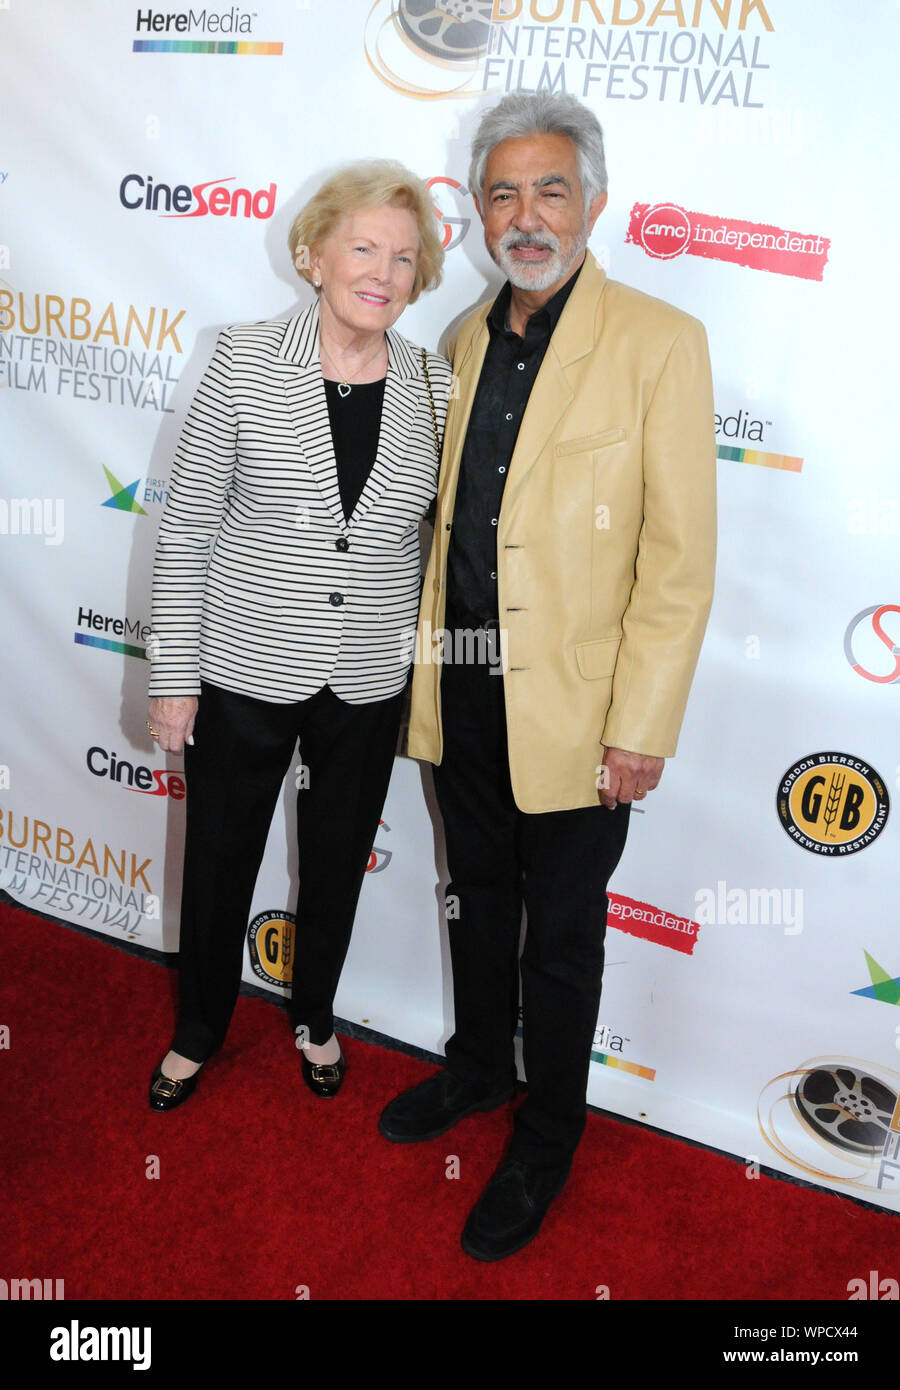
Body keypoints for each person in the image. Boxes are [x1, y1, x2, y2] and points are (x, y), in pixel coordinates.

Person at [379, 93, 717, 1261]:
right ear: (475, 211)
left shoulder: (659, 342)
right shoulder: (461, 340)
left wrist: (641, 726)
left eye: (550, 189)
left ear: (594, 200)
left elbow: (677, 562)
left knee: (560, 937)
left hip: (580, 712)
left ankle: (548, 1133)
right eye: (502, 193)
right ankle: (477, 1067)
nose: (526, 217)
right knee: (472, 896)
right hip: (462, 684)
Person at [146, 159, 450, 1111]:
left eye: (404, 258)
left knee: (336, 863)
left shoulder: (436, 388)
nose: (383, 272)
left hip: (364, 682)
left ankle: (314, 1014)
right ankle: (200, 1029)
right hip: (241, 672)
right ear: (314, 255)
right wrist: (174, 678)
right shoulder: (239, 359)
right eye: (363, 247)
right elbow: (188, 525)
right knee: (221, 863)